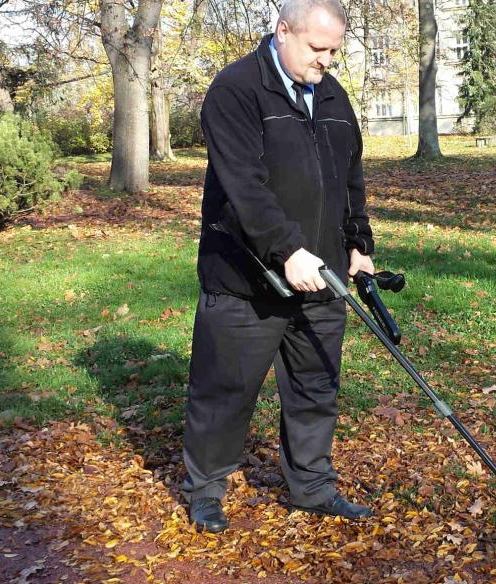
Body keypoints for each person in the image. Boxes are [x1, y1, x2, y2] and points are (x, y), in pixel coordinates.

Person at [181, 0, 375, 533]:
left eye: (335, 50)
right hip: (246, 278)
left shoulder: (332, 94)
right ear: (282, 30)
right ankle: (204, 489)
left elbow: (349, 177)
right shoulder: (236, 89)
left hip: (323, 276)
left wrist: (359, 244)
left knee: (316, 386)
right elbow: (244, 186)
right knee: (225, 389)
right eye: (318, 48)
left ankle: (312, 487)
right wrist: (288, 250)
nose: (327, 60)